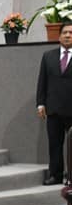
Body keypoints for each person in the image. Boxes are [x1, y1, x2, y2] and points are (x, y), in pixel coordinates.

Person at [36, 21, 72, 185]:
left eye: (71, 33)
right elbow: (42, 82)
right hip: (54, 109)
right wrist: (40, 103)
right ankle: (55, 175)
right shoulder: (48, 56)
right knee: (54, 145)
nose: (67, 35)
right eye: (64, 32)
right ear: (59, 36)